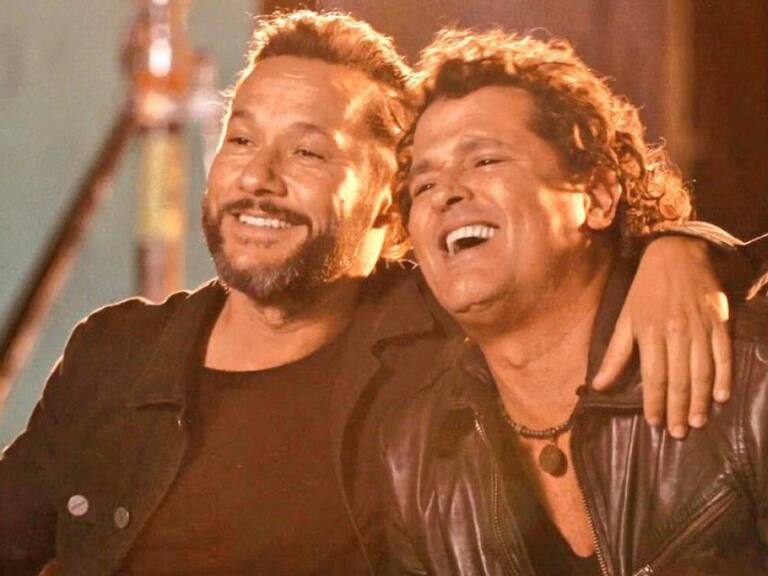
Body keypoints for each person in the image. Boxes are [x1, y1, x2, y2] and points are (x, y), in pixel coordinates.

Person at [0, 11, 759, 576]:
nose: (258, 176)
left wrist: (681, 246)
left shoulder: (431, 342)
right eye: (241, 139)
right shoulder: (117, 353)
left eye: (307, 151)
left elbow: (551, 268)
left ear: (388, 210)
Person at [379, 28, 768, 575]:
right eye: (423, 186)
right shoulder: (416, 458)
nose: (446, 193)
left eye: (485, 161)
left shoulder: (751, 373)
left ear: (600, 197)